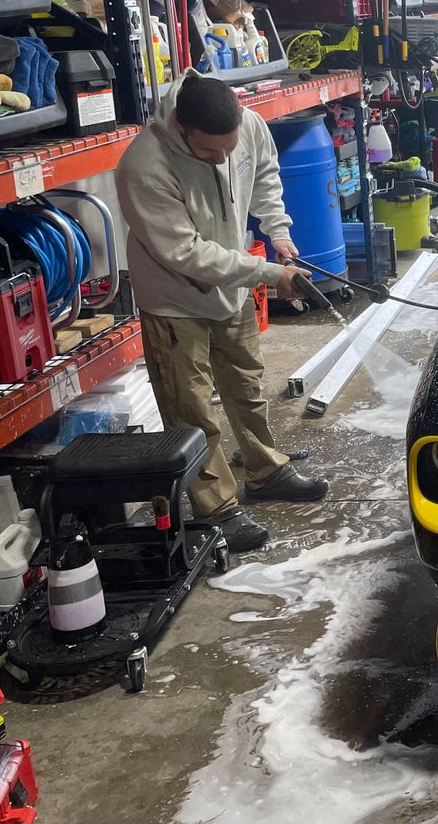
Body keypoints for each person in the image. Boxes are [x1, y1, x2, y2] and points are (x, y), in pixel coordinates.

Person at [116, 74, 328, 553]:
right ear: (180, 125)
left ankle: (266, 470)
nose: (221, 159)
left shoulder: (246, 125)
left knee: (246, 384)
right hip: (174, 298)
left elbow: (265, 174)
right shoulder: (144, 166)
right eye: (210, 152)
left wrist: (278, 231)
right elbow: (186, 254)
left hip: (231, 287)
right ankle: (216, 507)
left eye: (228, 150)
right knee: (190, 406)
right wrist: (268, 274)